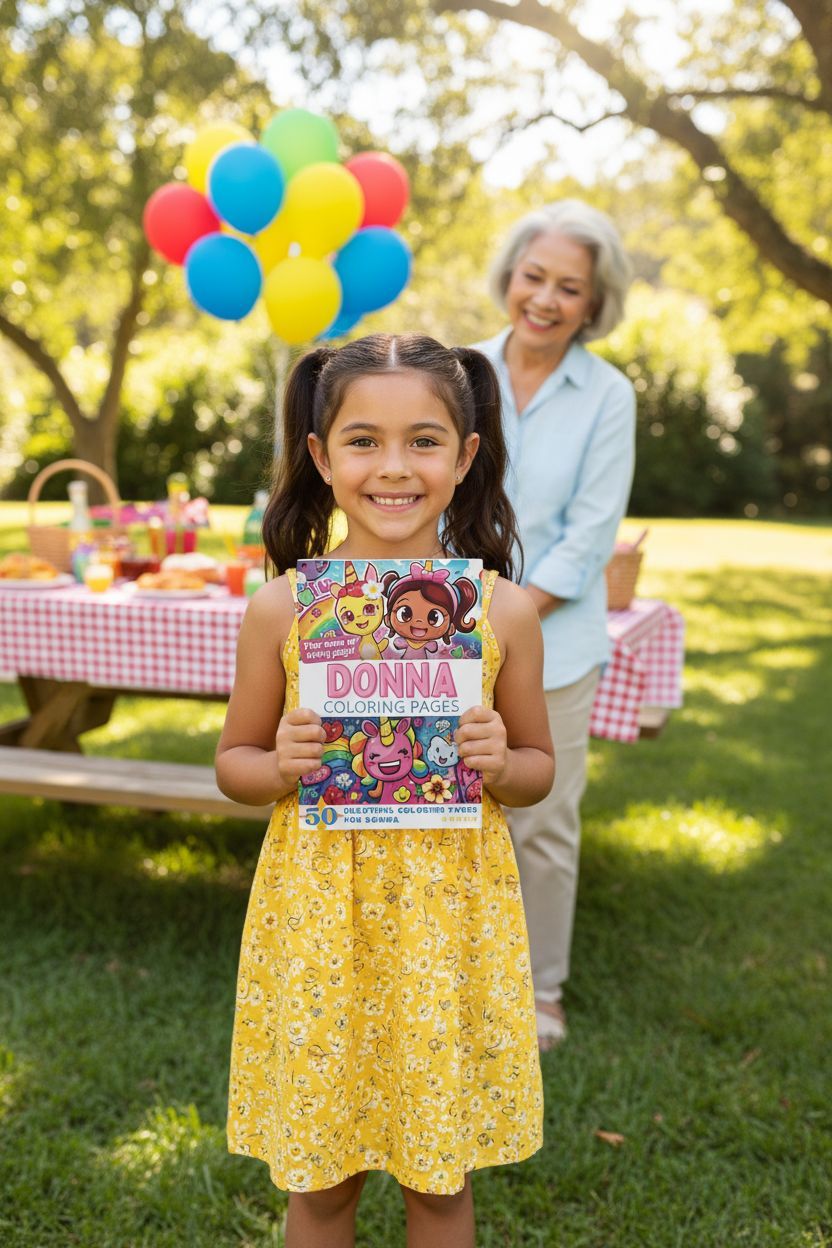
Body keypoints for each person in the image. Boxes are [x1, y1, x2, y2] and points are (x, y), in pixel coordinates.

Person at [216, 333, 555, 1248]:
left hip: (450, 927)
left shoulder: (503, 611)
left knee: (438, 1184)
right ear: (321, 457)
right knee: (323, 1182)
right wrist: (278, 765)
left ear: (465, 457)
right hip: (319, 923)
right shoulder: (283, 608)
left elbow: (538, 771)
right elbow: (234, 763)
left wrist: (501, 759)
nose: (395, 467)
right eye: (364, 441)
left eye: (424, 441)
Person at [474, 200, 636, 1051]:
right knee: (445, 803)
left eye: (568, 287)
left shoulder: (609, 395)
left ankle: (539, 991)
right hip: (442, 634)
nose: (545, 298)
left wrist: (503, 616)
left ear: (593, 303)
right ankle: (455, 969)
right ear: (510, 275)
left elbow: (590, 535)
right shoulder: (458, 370)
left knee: (540, 820)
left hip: (557, 645)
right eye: (533, 276)